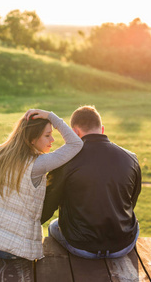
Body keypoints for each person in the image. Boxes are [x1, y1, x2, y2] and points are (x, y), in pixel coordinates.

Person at [0, 109, 83, 261]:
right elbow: (76, 144)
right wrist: (51, 116)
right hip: (12, 250)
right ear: (32, 140)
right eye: (47, 135)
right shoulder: (38, 165)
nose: (52, 140)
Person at [41, 105, 141, 259]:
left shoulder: (64, 161)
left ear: (74, 132)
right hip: (123, 244)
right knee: (134, 223)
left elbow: (47, 206)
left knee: (54, 225)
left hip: (81, 246)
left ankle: (62, 267)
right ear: (102, 129)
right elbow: (131, 202)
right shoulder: (131, 158)